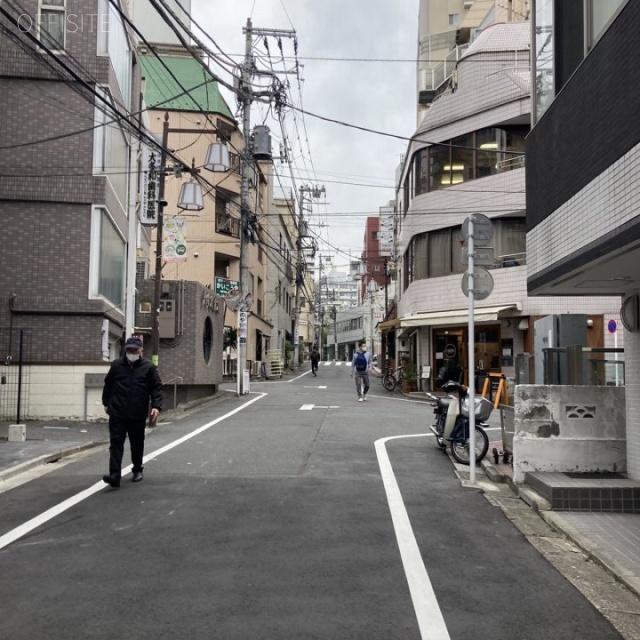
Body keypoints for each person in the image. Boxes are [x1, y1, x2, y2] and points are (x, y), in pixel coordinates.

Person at [101, 336, 163, 488]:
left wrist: (156, 405)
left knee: (136, 443)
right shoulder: (116, 365)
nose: (131, 353)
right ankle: (114, 475)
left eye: (135, 350)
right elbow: (108, 384)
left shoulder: (148, 367)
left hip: (137, 411)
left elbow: (156, 387)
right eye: (129, 350)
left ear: (141, 350)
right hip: (117, 411)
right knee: (116, 443)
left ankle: (137, 469)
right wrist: (106, 402)